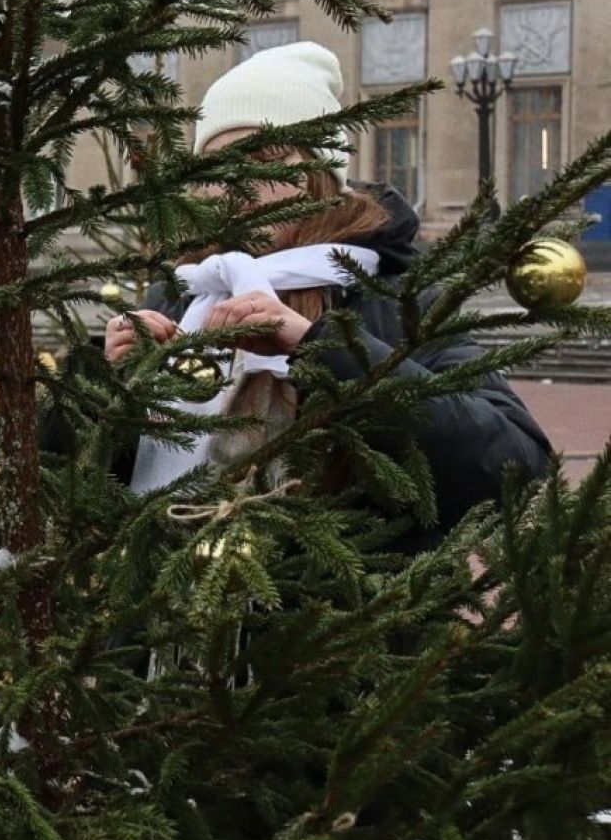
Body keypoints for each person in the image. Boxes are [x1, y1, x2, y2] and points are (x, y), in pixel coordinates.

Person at [100, 42, 550, 547]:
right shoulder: (184, 294)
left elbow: (515, 468)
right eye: (216, 168)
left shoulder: (391, 298)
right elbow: (77, 488)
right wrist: (108, 385)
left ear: (320, 175)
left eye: (267, 157)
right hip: (170, 618)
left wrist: (324, 349)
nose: (240, 186)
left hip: (343, 616)